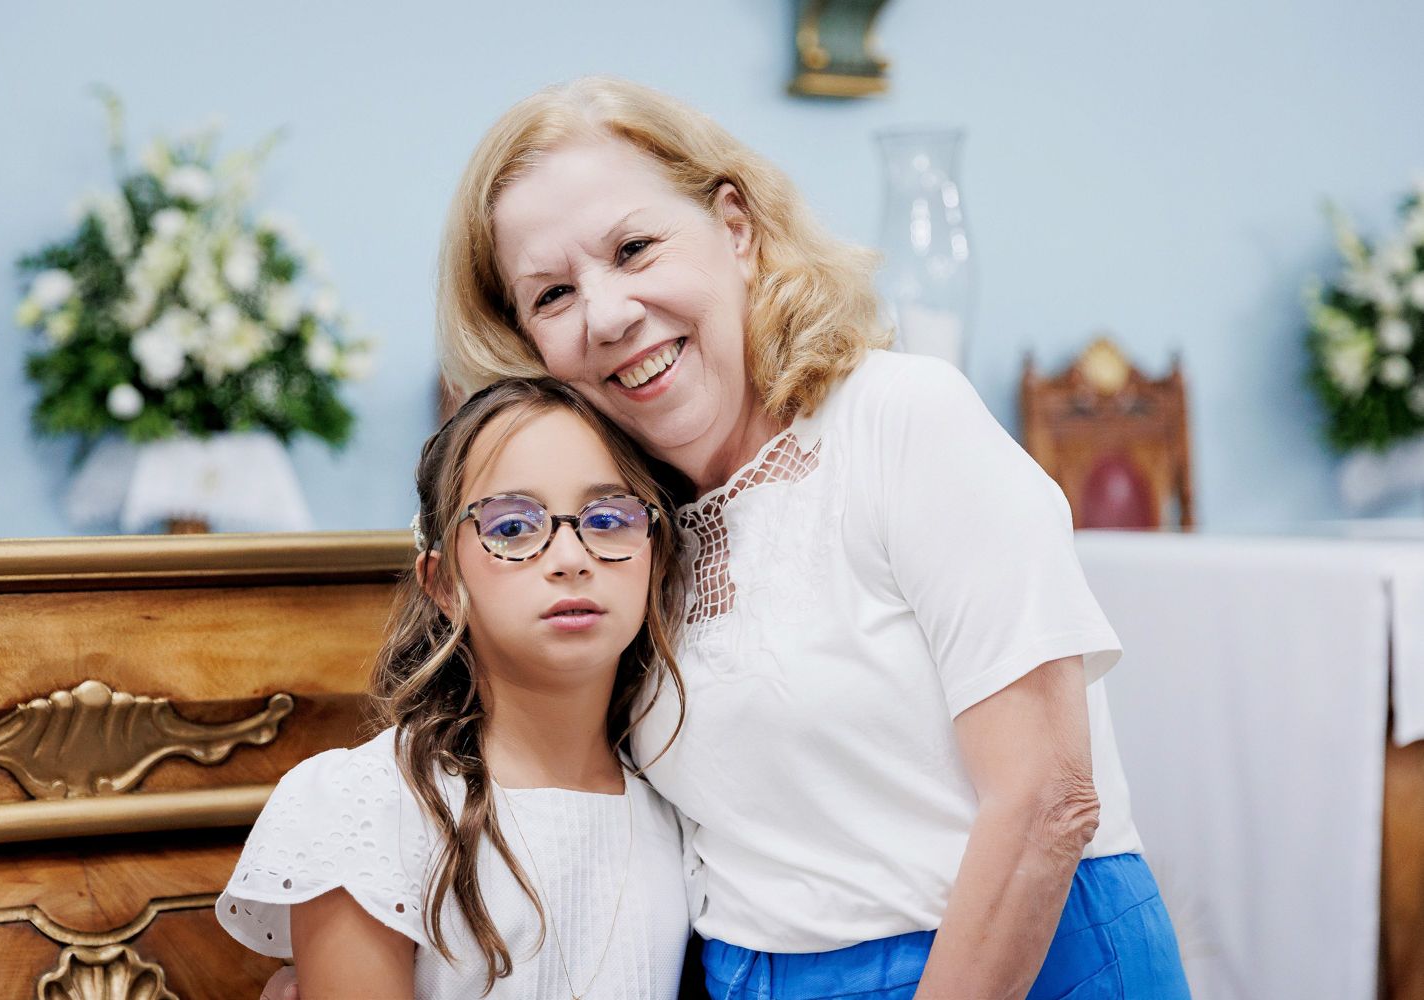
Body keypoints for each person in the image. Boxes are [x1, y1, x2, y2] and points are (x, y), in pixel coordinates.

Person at [272, 75, 1191, 999]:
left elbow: (1047, 800)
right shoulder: (625, 527)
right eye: (552, 294)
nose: (607, 314)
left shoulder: (900, 418)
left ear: (737, 229)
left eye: (635, 248)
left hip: (1011, 961)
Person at [221, 378, 694, 998]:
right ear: (444, 583)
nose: (571, 557)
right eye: (512, 527)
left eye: (608, 519)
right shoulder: (370, 805)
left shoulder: (681, 810)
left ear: (655, 557)